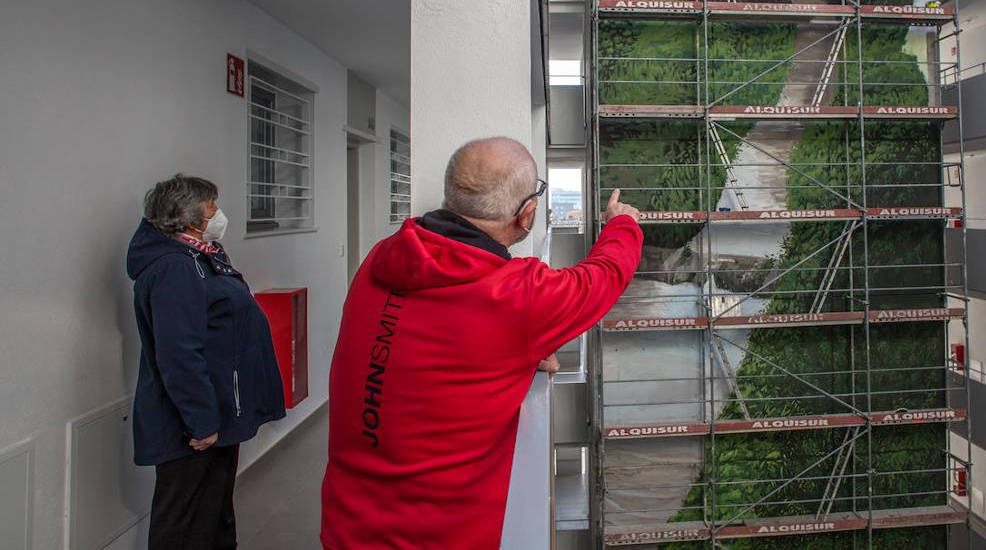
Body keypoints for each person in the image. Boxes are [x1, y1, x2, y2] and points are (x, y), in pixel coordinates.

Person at [321, 137, 643, 550]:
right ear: (527, 215)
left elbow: (429, 354)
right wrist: (623, 222)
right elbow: (602, 277)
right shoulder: (514, 296)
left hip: (345, 527)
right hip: (436, 538)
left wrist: (513, 356)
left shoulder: (384, 255)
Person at [127, 175, 286, 550]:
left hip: (216, 413)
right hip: (192, 426)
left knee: (213, 513)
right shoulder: (174, 268)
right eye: (212, 206)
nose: (218, 213)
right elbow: (179, 353)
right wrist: (201, 422)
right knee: (184, 522)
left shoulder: (202, 256)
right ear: (187, 216)